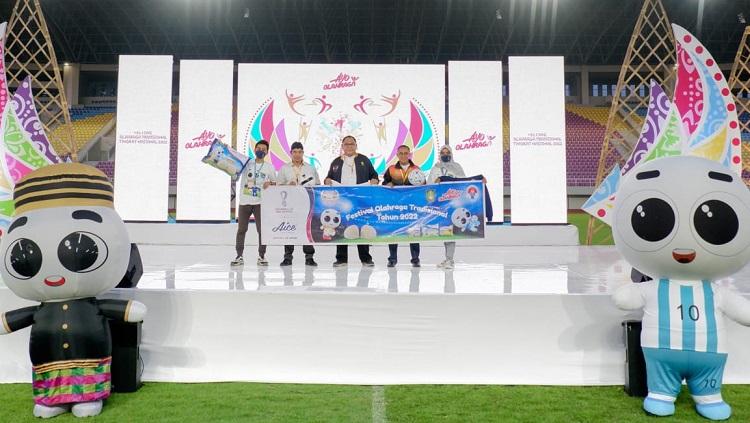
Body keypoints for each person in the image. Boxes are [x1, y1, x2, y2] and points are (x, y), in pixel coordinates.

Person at [324, 135, 379, 267]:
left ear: (356, 146)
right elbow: (329, 177)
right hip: (342, 200)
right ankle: (341, 258)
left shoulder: (364, 160)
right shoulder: (336, 162)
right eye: (346, 144)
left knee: (361, 225)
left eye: (352, 144)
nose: (349, 146)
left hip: (360, 200)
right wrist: (327, 180)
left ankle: (366, 258)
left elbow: (374, 175)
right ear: (342, 146)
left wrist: (374, 180)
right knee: (341, 226)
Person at [232, 140, 276, 266]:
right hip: (244, 201)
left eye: (263, 149)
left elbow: (275, 183)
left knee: (262, 230)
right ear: (254, 149)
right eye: (258, 148)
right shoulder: (247, 163)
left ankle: (261, 256)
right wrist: (226, 149)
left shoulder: (269, 167)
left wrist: (270, 183)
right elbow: (233, 159)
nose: (260, 151)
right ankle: (239, 256)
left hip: (260, 203)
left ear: (267, 152)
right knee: (241, 229)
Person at [277, 141, 320, 267]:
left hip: (307, 204)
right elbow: (278, 186)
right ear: (291, 153)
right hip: (289, 205)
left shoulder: (310, 168)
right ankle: (287, 257)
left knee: (307, 229)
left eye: (300, 152)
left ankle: (309, 257)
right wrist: (287, 185)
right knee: (289, 230)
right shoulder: (284, 168)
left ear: (303, 153)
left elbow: (317, 185)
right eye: (295, 152)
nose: (297, 154)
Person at [383, 144, 421, 267]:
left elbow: (423, 184)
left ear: (409, 154)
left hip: (412, 206)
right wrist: (387, 184)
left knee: (413, 231)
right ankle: (392, 259)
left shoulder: (416, 169)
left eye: (406, 153)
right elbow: (384, 183)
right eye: (401, 153)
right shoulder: (391, 169)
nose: (403, 155)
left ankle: (415, 259)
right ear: (397, 155)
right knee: (394, 232)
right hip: (395, 206)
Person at [428, 145, 465, 269]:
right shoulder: (435, 168)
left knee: (451, 231)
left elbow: (463, 183)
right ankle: (448, 258)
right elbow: (430, 184)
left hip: (453, 203)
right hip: (440, 204)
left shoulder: (457, 167)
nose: (445, 155)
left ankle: (450, 259)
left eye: (447, 152)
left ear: (451, 154)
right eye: (443, 152)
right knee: (445, 231)